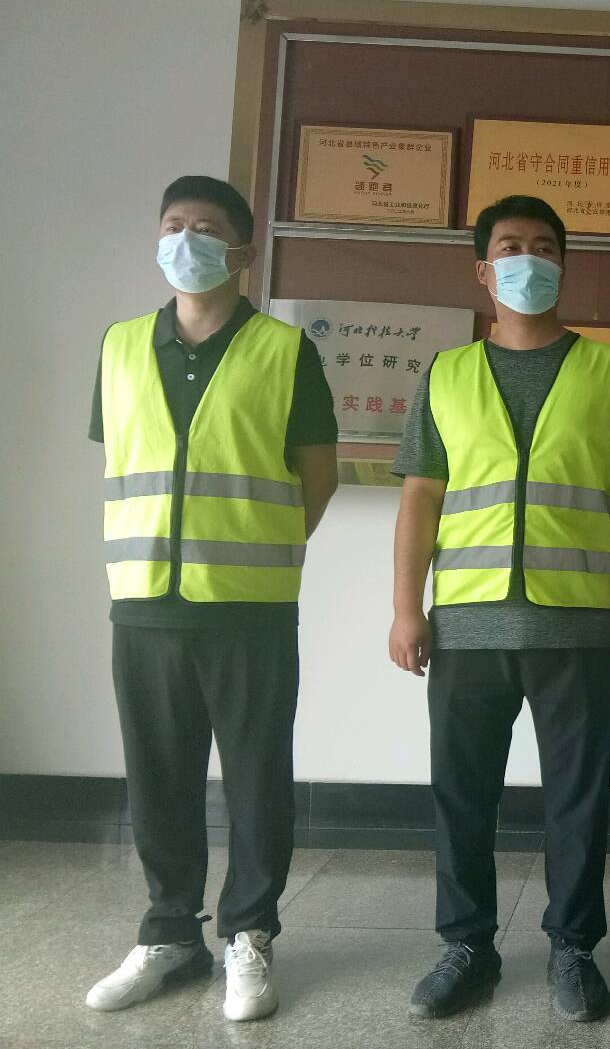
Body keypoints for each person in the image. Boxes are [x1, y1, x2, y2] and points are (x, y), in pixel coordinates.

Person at [390, 195, 610, 1023]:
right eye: (510, 247)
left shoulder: (609, 369)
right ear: (483, 269)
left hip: (576, 620)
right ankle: (467, 945)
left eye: (544, 247)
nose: (527, 260)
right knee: (461, 794)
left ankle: (573, 947)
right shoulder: (446, 373)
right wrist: (406, 608)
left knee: (578, 795)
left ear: (562, 265)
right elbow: (420, 496)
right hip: (466, 623)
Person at [85, 176, 339, 1022]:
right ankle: (169, 933)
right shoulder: (121, 345)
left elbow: (318, 476)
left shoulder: (284, 351)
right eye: (173, 225)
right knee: (157, 777)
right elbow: (122, 458)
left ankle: (249, 933)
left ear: (243, 251)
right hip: (143, 599)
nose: (185, 240)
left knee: (257, 777)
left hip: (248, 605)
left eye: (205, 228)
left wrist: (260, 547)